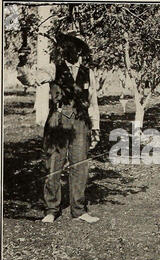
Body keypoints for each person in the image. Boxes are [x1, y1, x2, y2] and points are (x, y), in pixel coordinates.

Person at [17, 32, 101, 223]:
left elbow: (93, 103)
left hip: (80, 122)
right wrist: (23, 62)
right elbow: (29, 79)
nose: (68, 49)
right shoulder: (53, 68)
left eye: (73, 46)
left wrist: (95, 128)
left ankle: (79, 210)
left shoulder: (88, 73)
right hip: (58, 120)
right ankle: (52, 209)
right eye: (66, 46)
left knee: (80, 165)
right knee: (54, 164)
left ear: (80, 50)